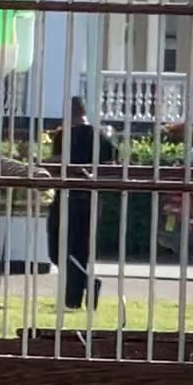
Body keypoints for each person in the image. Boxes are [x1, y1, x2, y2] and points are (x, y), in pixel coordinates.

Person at [45, 96, 124, 311]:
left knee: (64, 249)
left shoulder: (71, 136)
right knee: (74, 250)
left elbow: (59, 163)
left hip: (75, 198)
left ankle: (76, 295)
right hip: (80, 199)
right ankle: (78, 293)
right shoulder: (94, 136)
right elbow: (115, 163)